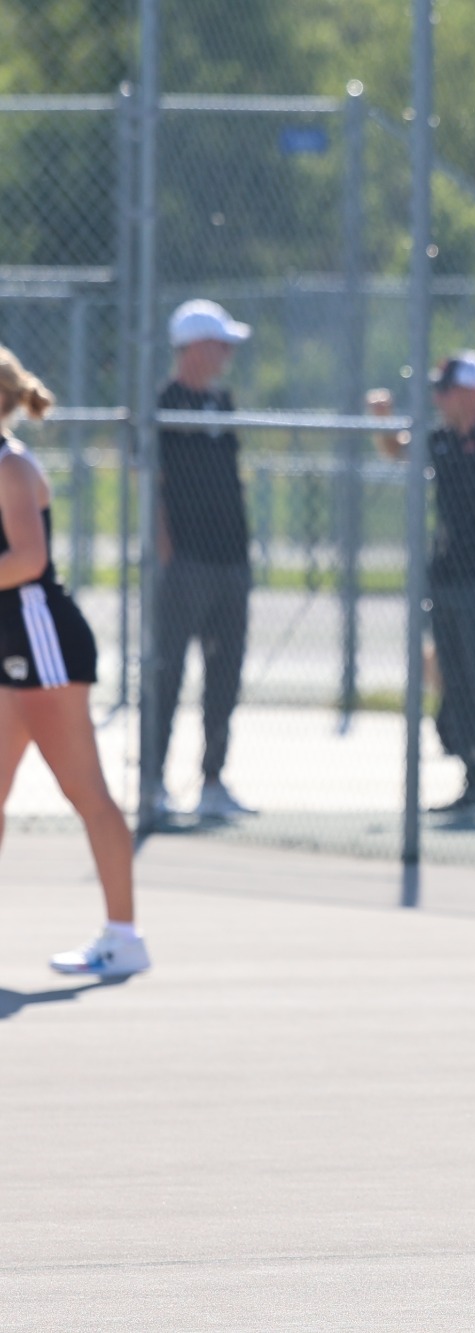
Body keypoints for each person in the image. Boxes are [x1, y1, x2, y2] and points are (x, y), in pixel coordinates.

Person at [0, 347, 148, 977]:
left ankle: (124, 937)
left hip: (42, 644)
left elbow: (28, 561)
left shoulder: (9, 466)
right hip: (12, 643)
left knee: (85, 790)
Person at [369, 351, 475, 822]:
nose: (438, 399)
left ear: (469, 394)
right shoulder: (441, 439)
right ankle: (470, 781)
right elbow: (396, 449)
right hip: (442, 579)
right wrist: (382, 420)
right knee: (456, 684)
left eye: (447, 391)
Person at [146, 298, 258, 825]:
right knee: (166, 673)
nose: (227, 353)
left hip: (230, 562)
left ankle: (213, 779)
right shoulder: (163, 403)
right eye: (220, 343)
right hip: (186, 564)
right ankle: (152, 782)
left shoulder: (222, 402)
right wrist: (168, 556)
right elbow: (155, 488)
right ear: (194, 347)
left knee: (224, 675)